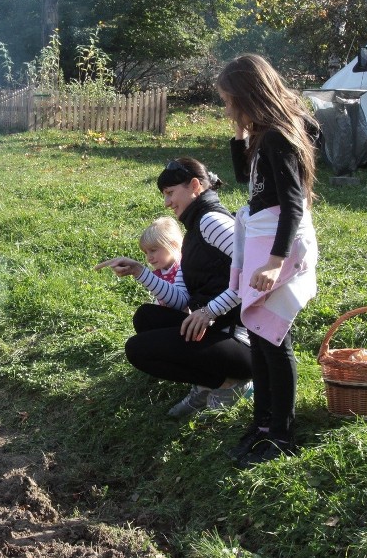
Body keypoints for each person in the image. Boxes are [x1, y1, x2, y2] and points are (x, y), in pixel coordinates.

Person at [216, 53, 320, 467]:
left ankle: (282, 434)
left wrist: (276, 262)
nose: (226, 109)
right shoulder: (262, 136)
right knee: (258, 338)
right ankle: (262, 426)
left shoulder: (279, 137)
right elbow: (247, 180)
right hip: (263, 245)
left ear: (248, 94)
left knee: (275, 342)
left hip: (280, 249)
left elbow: (293, 207)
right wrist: (240, 133)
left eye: (228, 100)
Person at [95, 158, 253, 418]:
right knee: (146, 317)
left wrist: (209, 311)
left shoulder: (211, 221)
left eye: (170, 193)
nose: (167, 202)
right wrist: (140, 271)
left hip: (244, 341)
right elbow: (180, 300)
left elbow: (256, 273)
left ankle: (228, 384)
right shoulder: (194, 229)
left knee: (138, 350)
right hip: (218, 330)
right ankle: (208, 383)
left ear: (194, 186)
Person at [138, 216, 183, 305]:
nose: (149, 257)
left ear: (173, 245)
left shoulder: (185, 268)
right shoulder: (160, 274)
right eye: (146, 253)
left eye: (153, 250)